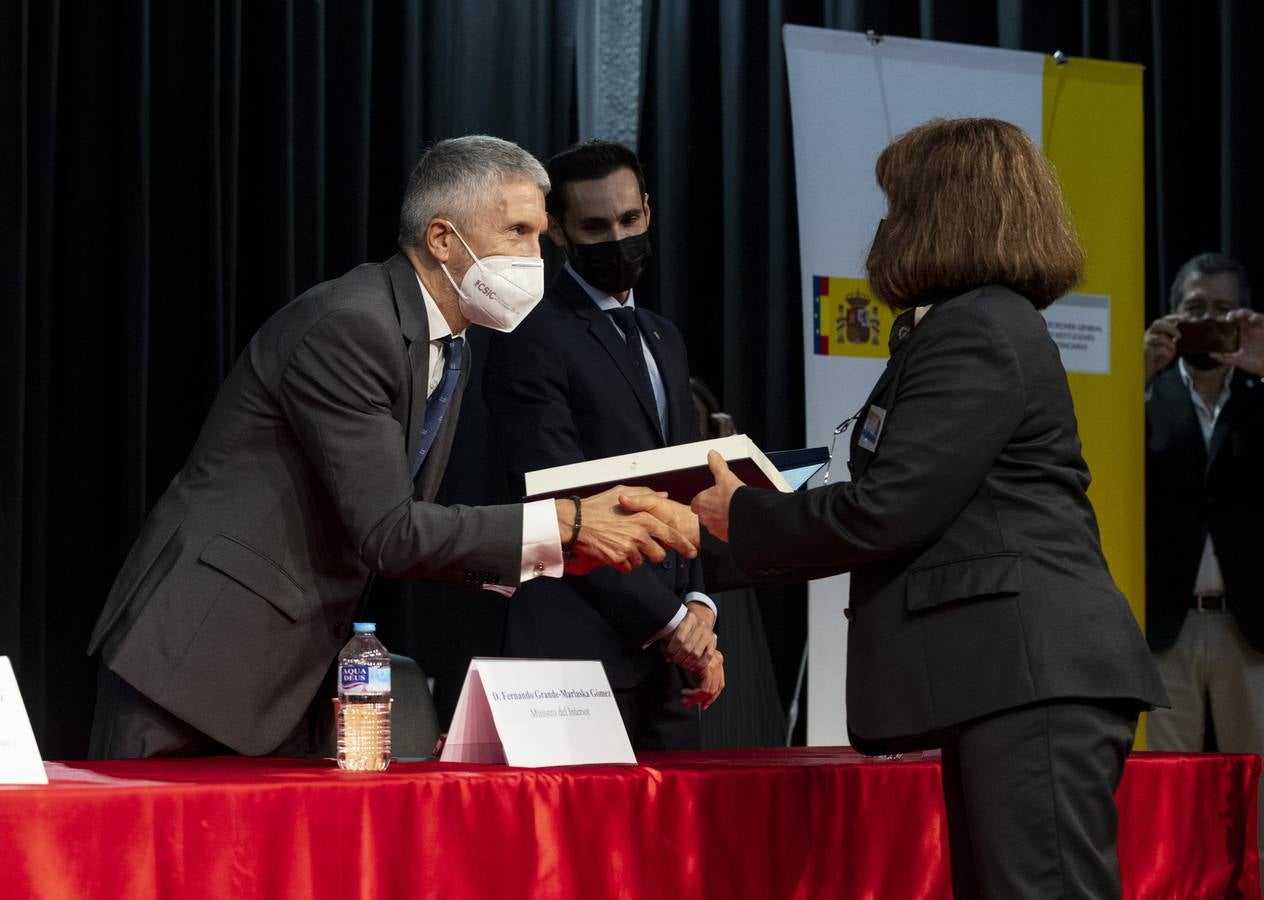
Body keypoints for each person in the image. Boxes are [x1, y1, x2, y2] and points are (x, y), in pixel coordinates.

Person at [630, 118, 1170, 898]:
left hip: (1033, 676)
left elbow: (890, 510)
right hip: (1012, 680)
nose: (881, 226)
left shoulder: (978, 327)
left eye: (895, 204)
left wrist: (736, 515)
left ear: (940, 212)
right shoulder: (968, 326)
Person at [86, 135, 697, 759]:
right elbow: (388, 530)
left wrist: (568, 552)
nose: (534, 256)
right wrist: (568, 524)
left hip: (283, 680)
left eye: (539, 235)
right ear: (441, 240)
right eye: (516, 231)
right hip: (196, 664)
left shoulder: (447, 342)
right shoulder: (353, 326)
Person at [483, 140, 722, 751]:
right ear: (559, 232)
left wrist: (699, 609)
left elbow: (687, 485)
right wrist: (673, 625)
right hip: (574, 661)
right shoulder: (529, 335)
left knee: (678, 845)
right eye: (595, 226)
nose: (618, 239)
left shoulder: (664, 337)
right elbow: (562, 503)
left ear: (648, 209)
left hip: (671, 665)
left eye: (629, 220)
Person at [1142, 251, 1264, 865]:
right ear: (1172, 314)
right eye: (1195, 309)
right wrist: (1133, 376)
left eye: (1222, 310)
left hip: (1253, 630)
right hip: (1167, 627)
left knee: (1260, 802)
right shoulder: (1144, 395)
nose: (1207, 321)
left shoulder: (1261, 392)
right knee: (1167, 794)